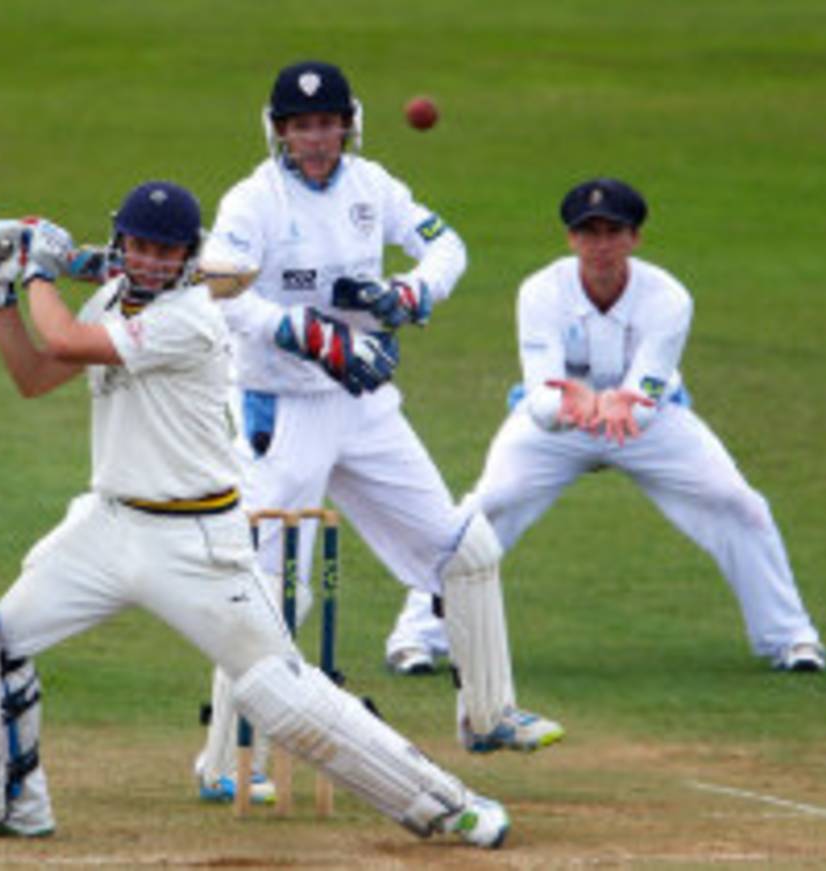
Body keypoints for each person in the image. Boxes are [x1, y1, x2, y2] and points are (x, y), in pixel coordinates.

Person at [0, 181, 510, 849]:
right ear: (122, 243)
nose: (149, 259)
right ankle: (9, 806)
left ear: (188, 256)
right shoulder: (110, 300)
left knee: (281, 697)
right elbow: (33, 374)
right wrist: (0, 293)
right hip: (108, 524)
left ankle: (450, 804)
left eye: (165, 249)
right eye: (139, 245)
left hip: (196, 544)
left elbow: (59, 339)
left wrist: (36, 266)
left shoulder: (191, 317)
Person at [192, 60, 564, 804]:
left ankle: (488, 713)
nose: (316, 139)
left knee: (468, 549)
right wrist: (306, 333)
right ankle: (227, 760)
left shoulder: (374, 186)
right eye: (301, 127)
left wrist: (407, 292)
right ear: (279, 131)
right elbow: (220, 291)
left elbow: (448, 245)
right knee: (272, 584)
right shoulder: (252, 200)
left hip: (362, 403)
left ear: (347, 123)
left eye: (327, 123)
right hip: (281, 406)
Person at [386, 177, 826, 674]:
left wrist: (618, 405)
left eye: (613, 233)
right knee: (489, 504)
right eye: (588, 233)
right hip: (557, 425)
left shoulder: (668, 298)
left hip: (650, 424)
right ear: (571, 239)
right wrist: (575, 406)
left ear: (634, 238)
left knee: (737, 503)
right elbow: (540, 400)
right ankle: (417, 638)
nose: (600, 246)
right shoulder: (540, 292)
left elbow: (644, 401)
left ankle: (791, 639)